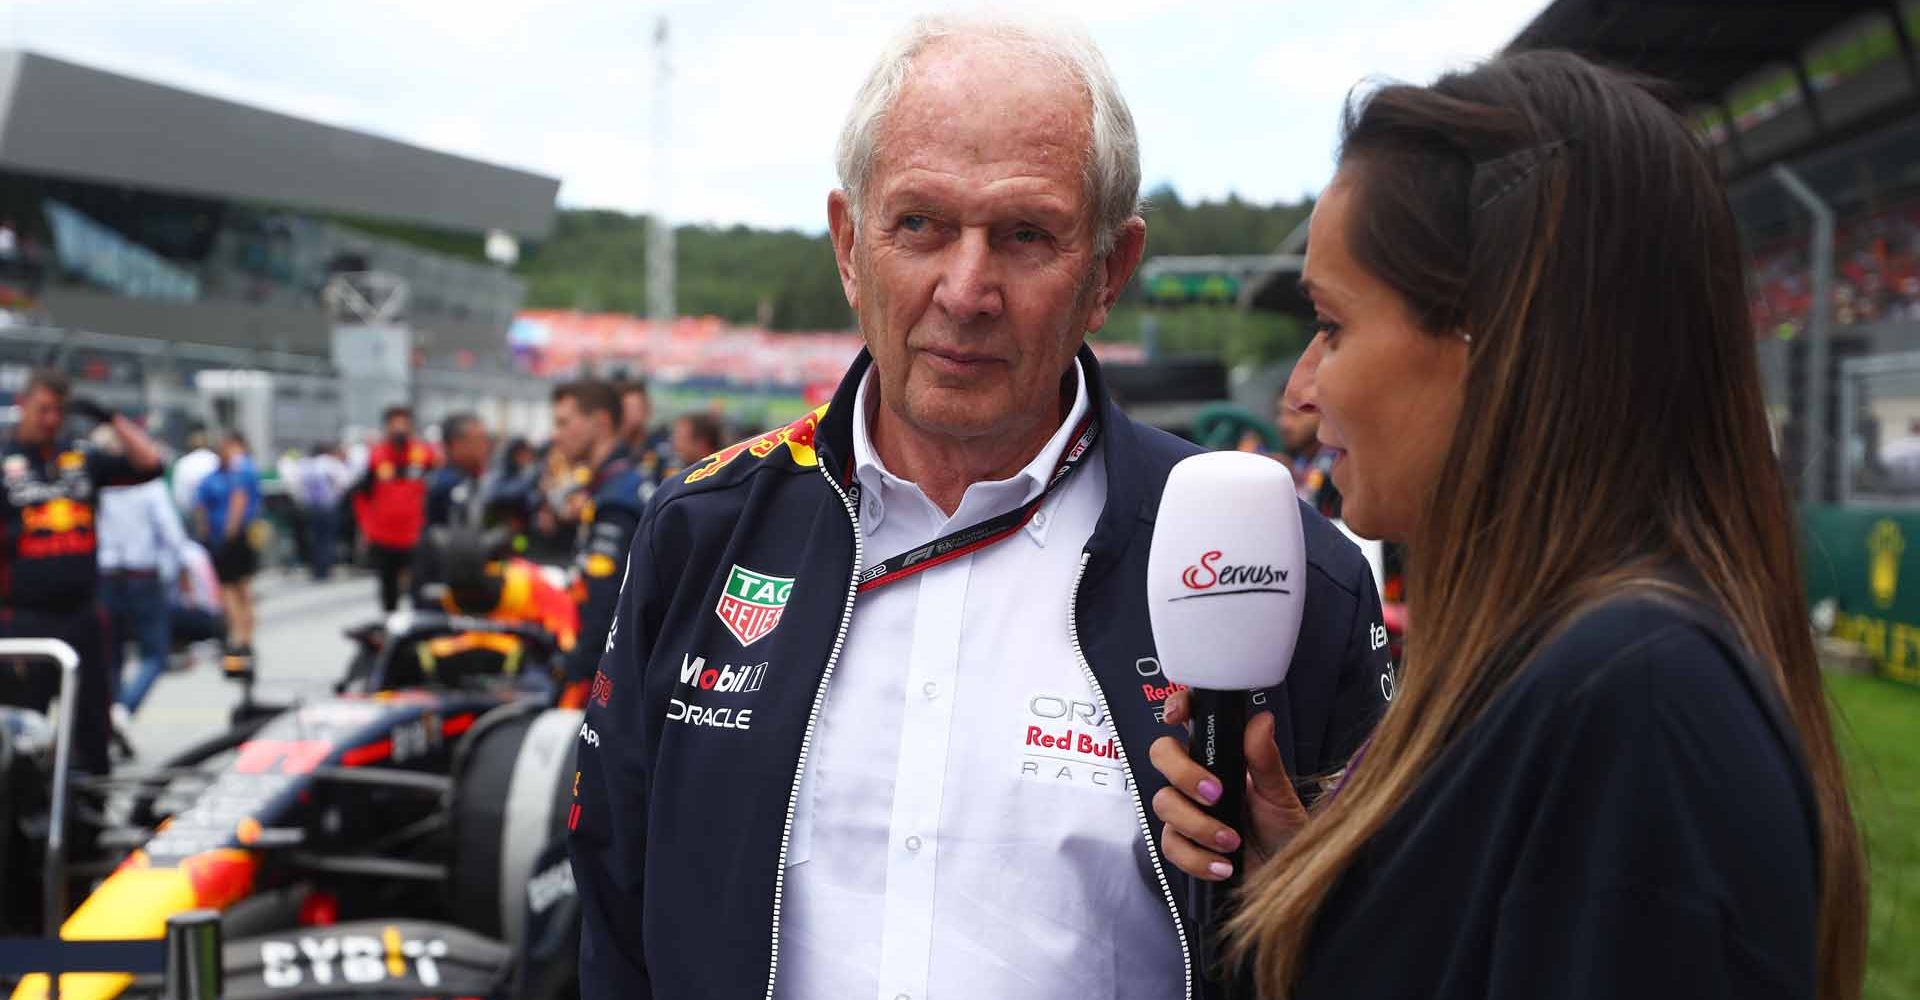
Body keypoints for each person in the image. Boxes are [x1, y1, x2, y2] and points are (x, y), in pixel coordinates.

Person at [568, 14, 1391, 999]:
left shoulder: (1284, 569)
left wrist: (1305, 917)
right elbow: (613, 912)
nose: (966, 290)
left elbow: (1393, 943)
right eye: (919, 224)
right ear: (848, 244)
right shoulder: (702, 533)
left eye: (1025, 235)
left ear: (1107, 273)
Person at [1149, 52, 1868, 1000]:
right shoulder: (1572, 677)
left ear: (1497, 342)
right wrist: (1312, 888)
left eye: (1333, 326)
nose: (1301, 388)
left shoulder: (1639, 707)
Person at [0, 369, 164, 774]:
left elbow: (152, 464)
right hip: (23, 624)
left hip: (83, 619)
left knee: (93, 732)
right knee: (22, 734)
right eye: (43, 409)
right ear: (24, 405)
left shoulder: (82, 456)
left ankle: (88, 826)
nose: (51, 419)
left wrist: (111, 419)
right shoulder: (4, 461)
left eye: (59, 410)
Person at [547, 380, 647, 690]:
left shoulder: (618, 497)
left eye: (564, 423)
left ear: (600, 423)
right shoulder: (614, 481)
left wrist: (576, 670)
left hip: (608, 672)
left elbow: (605, 599)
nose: (556, 434)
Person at [94, 429, 192, 721]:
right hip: (142, 575)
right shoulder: (148, 484)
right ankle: (122, 710)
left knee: (111, 655)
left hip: (106, 575)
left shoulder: (98, 484)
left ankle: (111, 715)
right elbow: (172, 533)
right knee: (154, 653)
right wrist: (179, 571)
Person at [348, 405, 438, 613]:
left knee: (421, 590)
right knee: (388, 592)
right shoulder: (376, 456)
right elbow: (360, 494)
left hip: (416, 536)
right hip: (384, 538)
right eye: (394, 424)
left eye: (404, 424)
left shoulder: (425, 455)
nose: (399, 429)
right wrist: (367, 527)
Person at [194, 431, 262, 677]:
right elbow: (201, 507)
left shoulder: (240, 472)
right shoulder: (213, 478)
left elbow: (239, 502)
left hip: (233, 538)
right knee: (231, 590)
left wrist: (228, 533)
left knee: (239, 590)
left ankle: (241, 636)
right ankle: (240, 635)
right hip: (223, 538)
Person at [1275, 385, 1339, 518]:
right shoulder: (1296, 457)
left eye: (1294, 414)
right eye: (1280, 413)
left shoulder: (1339, 464)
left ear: (1322, 415)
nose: (1283, 423)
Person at [295, 442, 350, 580]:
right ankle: (326, 568)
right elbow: (344, 481)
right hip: (328, 505)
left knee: (315, 538)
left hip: (311, 506)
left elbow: (297, 483)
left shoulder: (305, 464)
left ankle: (317, 569)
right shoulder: (329, 463)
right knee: (328, 538)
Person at [170, 426, 219, 517]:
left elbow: (178, 496)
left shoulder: (182, 463)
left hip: (190, 514)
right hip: (213, 513)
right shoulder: (216, 459)